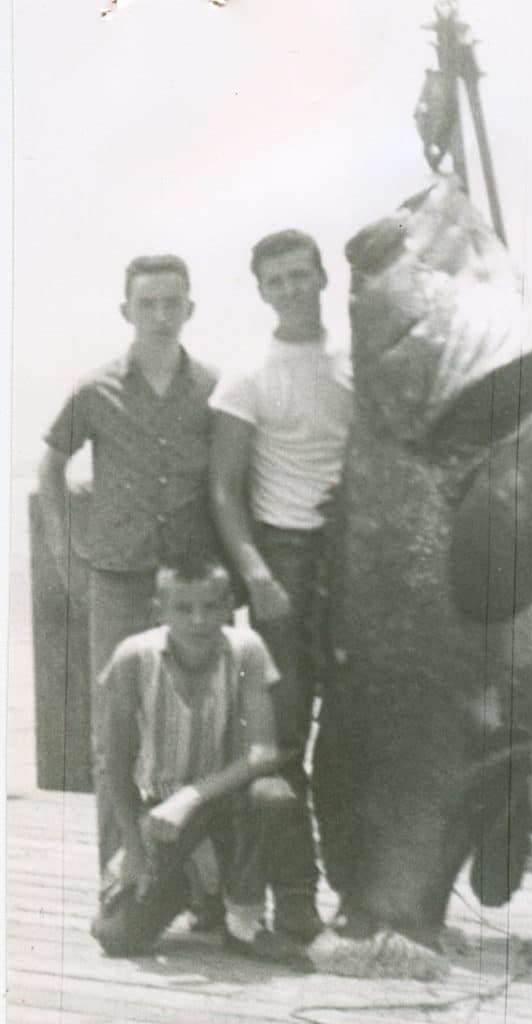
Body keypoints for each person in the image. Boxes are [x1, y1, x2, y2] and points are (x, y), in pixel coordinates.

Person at [38, 254, 219, 870]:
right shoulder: (95, 389)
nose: (162, 315)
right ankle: (119, 875)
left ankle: (199, 885)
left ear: (190, 308)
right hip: (117, 576)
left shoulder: (215, 389)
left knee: (202, 729)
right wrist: (65, 549)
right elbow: (51, 463)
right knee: (114, 730)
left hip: (191, 587)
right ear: (127, 311)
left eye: (173, 303)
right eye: (149, 304)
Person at [209, 229, 352, 935]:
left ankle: (360, 887)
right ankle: (296, 893)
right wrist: (257, 574)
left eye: (302, 274)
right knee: (285, 733)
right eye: (277, 280)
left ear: (323, 276)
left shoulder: (362, 361)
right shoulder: (247, 372)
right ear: (262, 291)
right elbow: (224, 489)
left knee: (360, 733)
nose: (292, 288)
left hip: (357, 561)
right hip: (284, 559)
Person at [90, 557, 320, 958]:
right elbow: (115, 763)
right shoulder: (133, 657)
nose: (198, 620)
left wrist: (190, 797)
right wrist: (135, 848)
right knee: (115, 935)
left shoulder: (246, 650)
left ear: (228, 606)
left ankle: (242, 923)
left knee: (272, 793)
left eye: (211, 606)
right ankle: (194, 891)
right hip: (160, 813)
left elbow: (264, 751)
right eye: (183, 608)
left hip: (224, 802)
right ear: (159, 611)